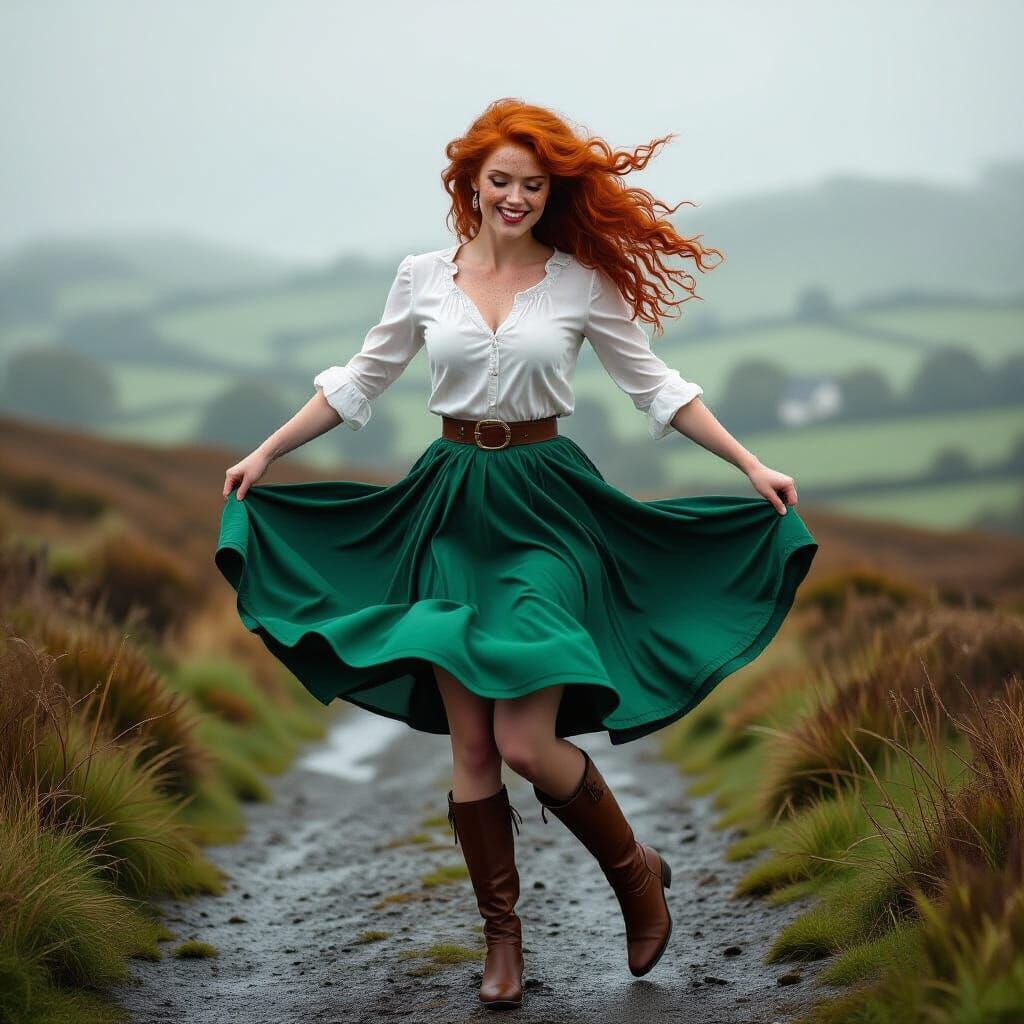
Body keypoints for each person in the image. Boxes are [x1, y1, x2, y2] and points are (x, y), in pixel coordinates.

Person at [216, 97, 818, 1012]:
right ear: (471, 182)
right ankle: (503, 938)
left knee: (527, 741)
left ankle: (635, 875)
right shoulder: (422, 277)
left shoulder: (579, 283)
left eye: (533, 184)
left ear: (551, 192)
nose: (516, 197)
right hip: (451, 505)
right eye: (501, 180)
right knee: (471, 744)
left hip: (546, 508)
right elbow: (359, 381)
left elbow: (655, 386)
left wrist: (748, 461)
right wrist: (265, 452)